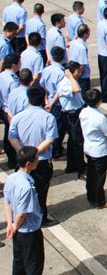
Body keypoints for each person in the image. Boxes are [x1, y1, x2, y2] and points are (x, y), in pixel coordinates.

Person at [8, 87, 59, 227]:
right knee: (41, 192)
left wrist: (23, 153)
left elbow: (12, 137)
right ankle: (40, 218)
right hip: (41, 161)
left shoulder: (18, 117)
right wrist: (34, 153)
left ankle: (20, 215)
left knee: (21, 191)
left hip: (22, 161)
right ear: (43, 99)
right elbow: (50, 139)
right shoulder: (48, 117)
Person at [3, 146, 45, 275]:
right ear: (28, 163)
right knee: (34, 265)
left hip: (17, 231)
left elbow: (7, 202)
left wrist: (10, 224)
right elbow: (22, 214)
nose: (38, 160)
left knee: (19, 263)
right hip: (29, 232)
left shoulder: (11, 178)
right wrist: (15, 225)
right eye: (36, 158)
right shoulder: (27, 186)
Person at [80, 89, 107, 209]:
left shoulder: (84, 112)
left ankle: (90, 195)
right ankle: (100, 201)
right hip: (100, 150)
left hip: (89, 148)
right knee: (99, 177)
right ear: (99, 101)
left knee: (91, 174)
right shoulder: (100, 117)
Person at [57, 62, 87, 179]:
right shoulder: (66, 82)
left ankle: (71, 165)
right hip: (71, 115)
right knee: (77, 142)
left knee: (72, 141)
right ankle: (81, 168)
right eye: (77, 71)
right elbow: (77, 89)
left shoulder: (72, 80)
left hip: (76, 112)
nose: (79, 73)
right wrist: (70, 76)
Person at [40, 47, 67, 159]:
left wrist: (46, 100)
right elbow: (60, 91)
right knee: (59, 128)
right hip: (57, 104)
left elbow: (43, 86)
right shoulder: (62, 72)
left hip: (48, 102)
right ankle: (56, 151)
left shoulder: (46, 70)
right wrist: (51, 104)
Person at [1, 53, 21, 169]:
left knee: (8, 133)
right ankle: (14, 160)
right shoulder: (13, 80)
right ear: (14, 65)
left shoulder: (2, 75)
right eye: (19, 63)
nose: (20, 64)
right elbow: (15, 98)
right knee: (13, 135)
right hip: (12, 111)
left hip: (4, 109)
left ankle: (11, 159)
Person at [69, 24, 91, 96]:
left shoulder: (73, 42)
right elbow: (82, 65)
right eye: (88, 32)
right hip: (82, 76)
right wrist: (79, 75)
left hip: (74, 72)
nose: (89, 33)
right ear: (85, 34)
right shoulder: (82, 48)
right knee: (84, 95)